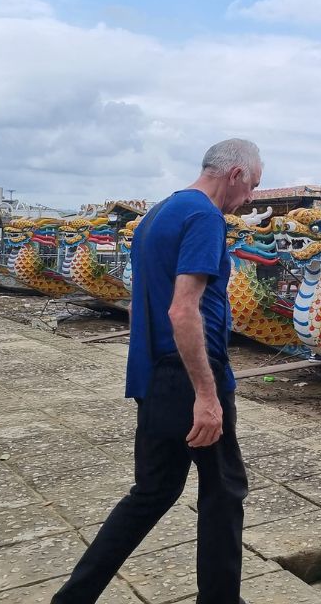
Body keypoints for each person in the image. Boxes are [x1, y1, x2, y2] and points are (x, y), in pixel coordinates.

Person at [52, 138, 263, 604]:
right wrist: (206, 397)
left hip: (154, 378)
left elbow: (139, 304)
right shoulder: (205, 217)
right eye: (252, 187)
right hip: (191, 377)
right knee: (225, 491)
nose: (249, 201)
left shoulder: (156, 215)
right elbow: (183, 311)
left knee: (152, 493)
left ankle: (73, 597)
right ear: (234, 175)